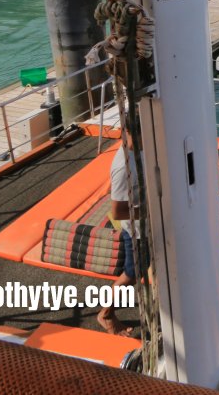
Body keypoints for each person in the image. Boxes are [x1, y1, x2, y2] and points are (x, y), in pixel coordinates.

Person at [97, 128, 141, 336]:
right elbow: (118, 211)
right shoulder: (124, 167)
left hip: (147, 226)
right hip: (138, 231)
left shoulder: (139, 151)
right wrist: (154, 210)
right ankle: (105, 314)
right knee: (131, 275)